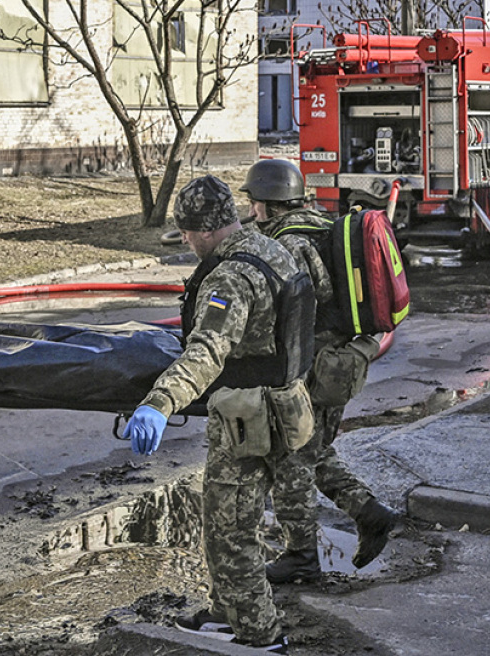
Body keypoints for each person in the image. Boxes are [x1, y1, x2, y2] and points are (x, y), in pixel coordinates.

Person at [123, 174, 314, 654]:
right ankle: (224, 612)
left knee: (230, 531)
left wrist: (158, 404)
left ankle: (259, 634)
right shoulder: (272, 249)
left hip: (246, 420)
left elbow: (206, 350)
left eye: (187, 234)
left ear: (206, 230)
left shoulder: (229, 276)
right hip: (286, 405)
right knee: (237, 521)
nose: (186, 242)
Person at [240, 158, 400, 584]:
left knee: (291, 458)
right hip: (337, 362)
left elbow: (303, 307)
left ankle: (301, 558)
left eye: (254, 202)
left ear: (268, 204)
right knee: (311, 450)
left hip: (313, 365)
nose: (252, 211)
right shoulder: (318, 223)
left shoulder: (288, 244)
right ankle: (370, 513)